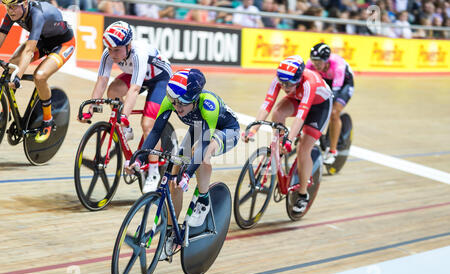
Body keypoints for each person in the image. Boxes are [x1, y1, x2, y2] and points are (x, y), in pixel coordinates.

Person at [128, 68, 240, 261]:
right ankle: (172, 233)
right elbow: (155, 132)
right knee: (173, 175)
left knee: (201, 154)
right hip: (198, 127)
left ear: (195, 99)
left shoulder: (208, 104)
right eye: (175, 102)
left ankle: (203, 199)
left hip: (226, 130)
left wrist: (188, 174)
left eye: (183, 103)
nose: (178, 108)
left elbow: (204, 142)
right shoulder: (171, 99)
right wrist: (138, 158)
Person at [79, 21, 172, 193]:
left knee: (148, 125)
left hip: (160, 79)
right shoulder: (108, 54)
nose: (112, 54)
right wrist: (91, 106)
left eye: (117, 50)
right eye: (109, 49)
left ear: (128, 45)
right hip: (139, 75)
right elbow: (102, 81)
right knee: (113, 90)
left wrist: (124, 117)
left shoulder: (139, 54)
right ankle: (126, 131)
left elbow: (135, 89)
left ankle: (153, 171)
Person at [242, 55, 332, 214]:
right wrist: (254, 128)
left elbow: (301, 116)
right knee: (277, 113)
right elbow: (268, 103)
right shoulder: (281, 79)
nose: (284, 86)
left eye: (289, 83)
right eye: (282, 82)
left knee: (304, 149)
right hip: (299, 98)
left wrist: (289, 140)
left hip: (319, 107)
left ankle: (303, 195)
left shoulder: (309, 82)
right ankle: (279, 152)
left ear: (299, 78)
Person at [0, 0, 75, 143]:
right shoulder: (12, 13)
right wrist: (14, 72)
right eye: (7, 6)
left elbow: (28, 51)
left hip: (63, 44)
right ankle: (6, 110)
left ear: (25, 3)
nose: (10, 10)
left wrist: (18, 77)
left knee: (39, 77)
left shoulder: (37, 14)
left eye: (14, 6)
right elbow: (1, 36)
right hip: (43, 40)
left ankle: (48, 121)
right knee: (12, 65)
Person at [306, 43, 354, 165]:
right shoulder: (310, 65)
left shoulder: (338, 65)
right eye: (314, 60)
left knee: (333, 112)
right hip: (326, 80)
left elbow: (334, 93)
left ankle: (332, 151)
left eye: (319, 61)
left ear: (327, 60)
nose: (315, 64)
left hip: (344, 84)